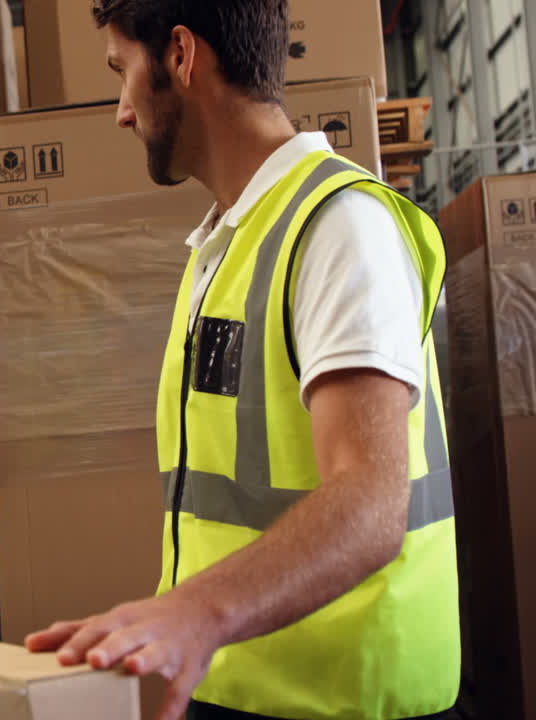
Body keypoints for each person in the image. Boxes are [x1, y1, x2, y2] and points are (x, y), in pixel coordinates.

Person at [25, 3, 459, 720]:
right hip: (236, 682)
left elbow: (373, 502)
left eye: (122, 72)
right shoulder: (225, 248)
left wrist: (196, 614)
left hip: (347, 702)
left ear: (181, 57)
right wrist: (167, 628)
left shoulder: (339, 229)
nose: (122, 113)